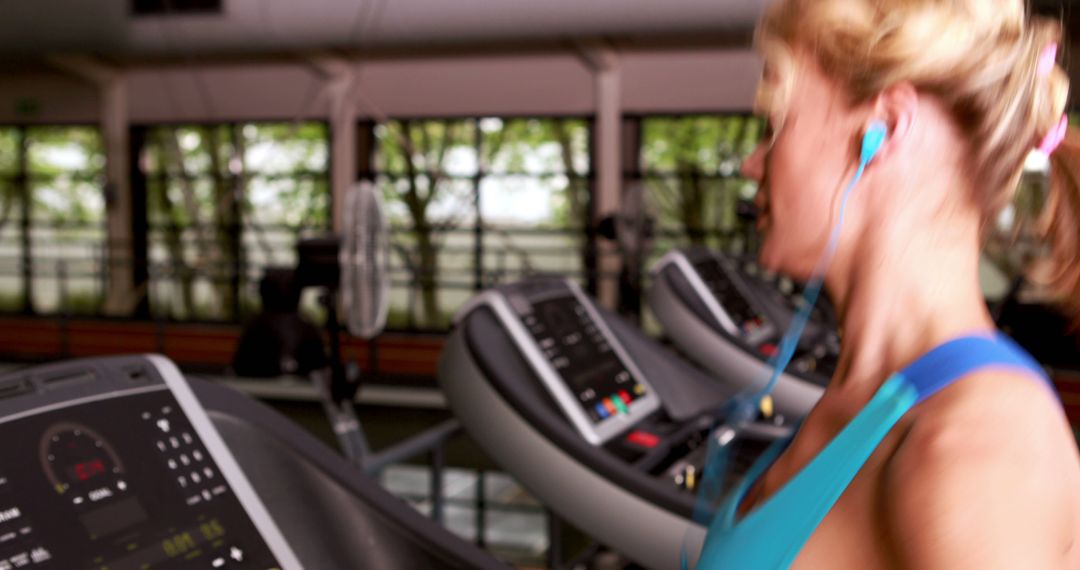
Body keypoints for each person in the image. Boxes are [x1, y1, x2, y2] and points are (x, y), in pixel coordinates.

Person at [697, 0, 1080, 567]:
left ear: (885, 128)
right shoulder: (871, 393)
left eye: (775, 125)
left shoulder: (976, 446)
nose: (754, 163)